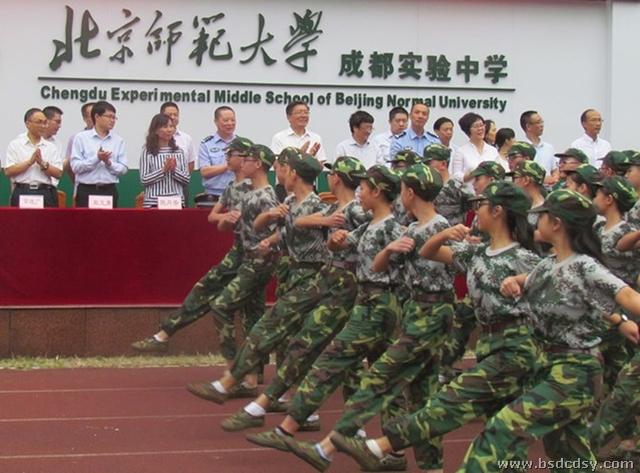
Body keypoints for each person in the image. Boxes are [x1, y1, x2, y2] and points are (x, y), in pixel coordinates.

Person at [330, 181, 541, 472]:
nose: (476, 210)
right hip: (490, 345)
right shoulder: (478, 252)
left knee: (450, 401)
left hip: (514, 348)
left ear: (498, 211)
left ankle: (379, 446)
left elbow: (550, 285)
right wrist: (444, 234)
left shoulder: (524, 258)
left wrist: (520, 281)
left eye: (481, 205)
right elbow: (429, 251)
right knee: (504, 431)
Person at [279, 164, 454, 472]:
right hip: (414, 312)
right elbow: (378, 265)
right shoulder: (412, 228)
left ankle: (327, 448)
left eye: (403, 189)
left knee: (379, 377)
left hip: (432, 314)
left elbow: (455, 263)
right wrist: (389, 250)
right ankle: (430, 466)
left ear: (410, 193)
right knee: (422, 395)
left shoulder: (438, 227)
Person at [457, 190, 640, 472]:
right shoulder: (548, 264)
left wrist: (622, 320)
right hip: (549, 366)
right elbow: (533, 279)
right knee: (569, 456)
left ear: (556, 223)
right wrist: (514, 281)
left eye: (541, 217)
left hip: (574, 372)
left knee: (502, 428)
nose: (535, 222)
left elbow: (626, 295)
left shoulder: (584, 266)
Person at [247, 166, 403, 469]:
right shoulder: (370, 225)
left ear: (377, 192)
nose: (359, 193)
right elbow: (340, 243)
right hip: (368, 302)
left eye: (364, 188)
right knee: (386, 376)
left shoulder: (393, 228)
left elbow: (412, 260)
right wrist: (336, 239)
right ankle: (388, 451)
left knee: (331, 362)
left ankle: (290, 430)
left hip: (379, 305)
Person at [220, 156, 369, 434]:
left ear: (337, 178)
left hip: (348, 287)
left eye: (332, 174)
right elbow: (301, 222)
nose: (329, 178)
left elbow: (378, 229)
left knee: (328, 353)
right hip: (331, 282)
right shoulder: (334, 209)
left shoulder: (355, 211)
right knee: (327, 353)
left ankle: (267, 408)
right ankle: (341, 427)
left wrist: (348, 238)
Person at [185, 153, 334, 405]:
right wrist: (269, 233)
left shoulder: (317, 205)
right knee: (290, 341)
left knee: (270, 330)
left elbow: (326, 235)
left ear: (295, 174)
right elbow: (274, 229)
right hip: (293, 275)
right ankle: (286, 402)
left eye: (286, 169)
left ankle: (230, 384)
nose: (281, 174)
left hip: (312, 277)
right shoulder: (289, 201)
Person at [131, 137, 255, 353]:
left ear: (245, 159)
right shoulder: (231, 188)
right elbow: (214, 217)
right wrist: (226, 218)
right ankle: (165, 334)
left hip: (255, 256)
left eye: (231, 154)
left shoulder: (256, 190)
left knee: (251, 311)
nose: (226, 158)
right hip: (238, 251)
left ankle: (252, 364)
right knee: (205, 289)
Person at [71, 101, 127, 207]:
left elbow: (123, 169)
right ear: (97, 117)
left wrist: (108, 163)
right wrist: (96, 158)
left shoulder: (118, 140)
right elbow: (75, 167)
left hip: (109, 190)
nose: (112, 120)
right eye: (109, 117)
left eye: (114, 118)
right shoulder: (81, 138)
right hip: (86, 190)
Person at [4, 108, 63, 207]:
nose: (43, 126)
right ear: (28, 123)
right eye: (39, 122)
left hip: (45, 192)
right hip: (22, 191)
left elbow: (59, 174)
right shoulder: (15, 145)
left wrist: (43, 164)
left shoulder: (51, 147)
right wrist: (29, 162)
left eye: (45, 122)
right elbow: (8, 171)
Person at [139, 113, 190, 208]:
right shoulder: (147, 151)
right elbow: (144, 179)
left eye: (171, 126)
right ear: (156, 130)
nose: (169, 130)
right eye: (165, 127)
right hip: (154, 202)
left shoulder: (179, 151)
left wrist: (174, 170)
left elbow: (186, 179)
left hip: (176, 201)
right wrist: (163, 170)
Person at [423, 144, 472, 226]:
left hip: (453, 231)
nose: (425, 167)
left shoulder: (456, 186)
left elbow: (475, 209)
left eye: (428, 163)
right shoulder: (425, 187)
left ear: (443, 164)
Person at [197, 106, 237, 202]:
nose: (230, 123)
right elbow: (205, 172)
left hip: (236, 195)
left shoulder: (241, 144)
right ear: (216, 122)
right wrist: (229, 165)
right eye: (226, 120)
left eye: (233, 120)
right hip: (213, 195)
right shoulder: (206, 144)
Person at [451, 112, 499, 189]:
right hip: (469, 193)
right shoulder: (461, 151)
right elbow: (456, 176)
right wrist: (472, 174)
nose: (480, 129)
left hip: (490, 192)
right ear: (468, 130)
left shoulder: (493, 150)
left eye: (482, 125)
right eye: (476, 126)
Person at [520, 110, 557, 182]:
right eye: (538, 122)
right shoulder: (521, 149)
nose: (541, 125)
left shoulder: (549, 148)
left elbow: (555, 170)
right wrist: (543, 180)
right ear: (528, 126)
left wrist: (554, 179)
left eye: (542, 122)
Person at [160, 102, 196, 173]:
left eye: (175, 115)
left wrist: (181, 177)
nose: (173, 117)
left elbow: (191, 163)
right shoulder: (154, 138)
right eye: (169, 115)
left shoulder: (186, 138)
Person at [65, 102, 95, 183]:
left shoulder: (110, 138)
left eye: (99, 114)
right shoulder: (75, 138)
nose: (96, 118)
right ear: (85, 118)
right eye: (92, 115)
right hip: (83, 185)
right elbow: (70, 166)